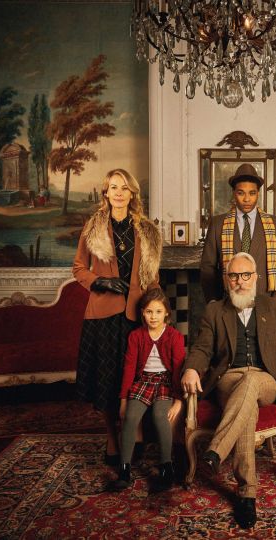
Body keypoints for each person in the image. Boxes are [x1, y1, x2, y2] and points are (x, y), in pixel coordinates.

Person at [181, 252, 276, 529]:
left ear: (256, 277)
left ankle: (216, 450)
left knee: (251, 382)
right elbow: (202, 349)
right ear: (226, 279)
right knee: (246, 408)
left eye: (246, 275)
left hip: (265, 379)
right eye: (234, 276)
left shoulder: (274, 306)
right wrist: (191, 369)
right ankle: (247, 494)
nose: (240, 281)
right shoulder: (215, 310)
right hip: (228, 378)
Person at [72, 168, 163, 482]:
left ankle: (135, 433)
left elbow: (153, 278)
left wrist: (157, 310)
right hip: (103, 317)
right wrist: (101, 281)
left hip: (136, 315)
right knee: (107, 381)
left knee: (137, 378)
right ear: (106, 193)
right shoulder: (93, 227)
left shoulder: (147, 231)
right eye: (114, 187)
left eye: (125, 187)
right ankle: (112, 438)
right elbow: (78, 268)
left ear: (132, 193)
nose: (119, 193)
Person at [109, 288, 185, 493]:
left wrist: (178, 400)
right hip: (143, 381)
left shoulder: (175, 336)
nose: (153, 316)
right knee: (130, 417)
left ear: (166, 313)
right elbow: (129, 369)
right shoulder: (136, 336)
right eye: (149, 311)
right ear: (143, 313)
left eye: (158, 312)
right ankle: (124, 469)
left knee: (161, 416)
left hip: (165, 382)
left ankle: (166, 467)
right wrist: (123, 400)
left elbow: (178, 370)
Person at [200, 163, 276, 304]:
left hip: (266, 301)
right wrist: (214, 302)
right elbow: (207, 268)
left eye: (252, 193)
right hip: (229, 302)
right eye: (241, 193)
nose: (247, 199)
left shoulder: (275, 224)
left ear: (258, 193)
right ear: (234, 193)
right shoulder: (218, 224)